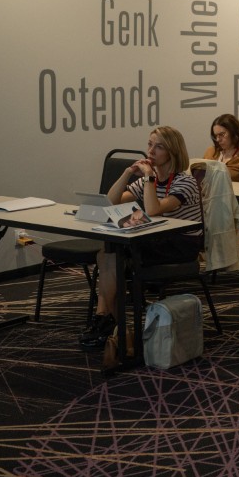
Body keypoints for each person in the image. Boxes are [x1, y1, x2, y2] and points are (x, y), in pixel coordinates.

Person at [81, 126, 203, 350]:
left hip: (180, 244)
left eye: (159, 147)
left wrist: (148, 177)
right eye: (150, 144)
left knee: (113, 259)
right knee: (108, 255)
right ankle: (107, 320)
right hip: (154, 239)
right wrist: (127, 173)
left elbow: (153, 209)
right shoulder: (149, 180)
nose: (151, 151)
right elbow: (111, 202)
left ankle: (111, 324)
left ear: (173, 152)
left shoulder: (185, 182)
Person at [203, 113, 239, 183]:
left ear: (233, 133)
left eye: (222, 134)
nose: (218, 139)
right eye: (216, 136)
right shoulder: (210, 152)